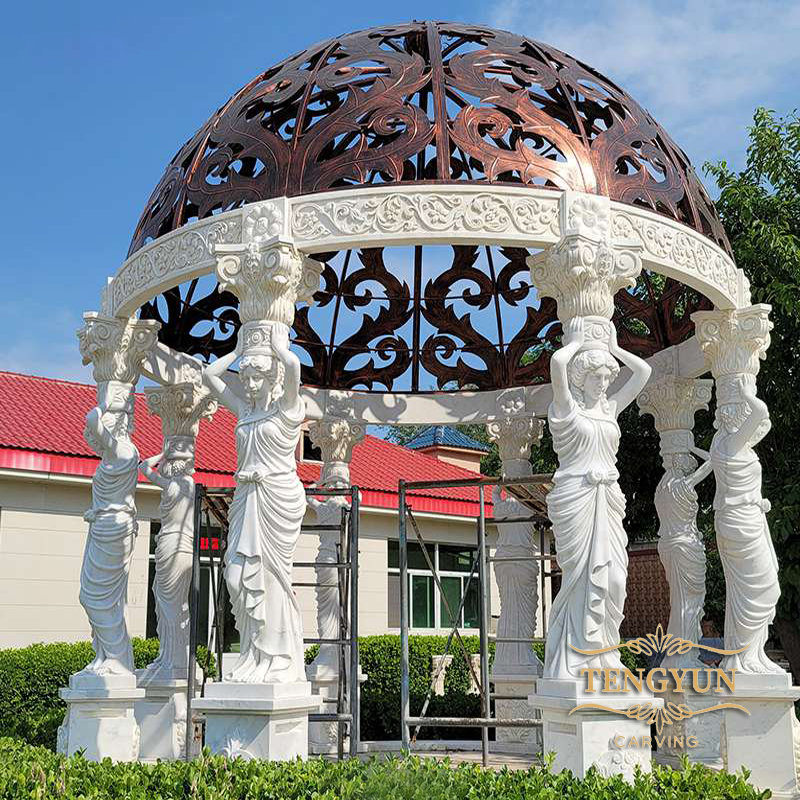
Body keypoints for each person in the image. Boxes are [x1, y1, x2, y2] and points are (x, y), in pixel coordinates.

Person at [543, 317, 651, 680]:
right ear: (579, 378)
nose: (604, 383)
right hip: (577, 497)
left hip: (607, 499)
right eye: (596, 377)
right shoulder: (565, 410)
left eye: (607, 377)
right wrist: (578, 341)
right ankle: (578, 657)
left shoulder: (611, 409)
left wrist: (613, 347)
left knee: (614, 580)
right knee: (584, 578)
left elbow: (643, 372)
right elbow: (557, 364)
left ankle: (604, 655)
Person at [202, 323, 307, 683]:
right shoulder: (245, 412)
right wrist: (237, 351)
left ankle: (277, 658)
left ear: (271, 377)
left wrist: (280, 349)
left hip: (277, 497)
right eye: (245, 377)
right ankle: (252, 654)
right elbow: (209, 376)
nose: (247, 384)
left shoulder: (287, 410)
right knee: (237, 577)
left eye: (255, 377)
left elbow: (293, 371)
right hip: (247, 496)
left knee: (272, 578)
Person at [711, 374, 783, 674]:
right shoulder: (731, 443)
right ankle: (746, 657)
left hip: (742, 519)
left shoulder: (725, 444)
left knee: (753, 590)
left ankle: (748, 654)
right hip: (742, 522)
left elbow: (760, 424)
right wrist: (746, 393)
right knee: (763, 589)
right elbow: (761, 413)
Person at [76, 383, 140, 678]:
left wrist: (105, 404)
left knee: (96, 597)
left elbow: (91, 420)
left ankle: (117, 657)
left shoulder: (124, 450)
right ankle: (105, 655)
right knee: (96, 597)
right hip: (102, 525)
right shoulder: (114, 454)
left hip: (115, 528)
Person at [138, 436, 197, 680]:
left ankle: (172, 658)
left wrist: (162, 454)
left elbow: (143, 467)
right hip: (181, 546)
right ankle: (172, 656)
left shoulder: (174, 485)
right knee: (173, 602)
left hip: (172, 544)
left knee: (168, 602)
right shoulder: (189, 485)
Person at [655, 448, 713, 669]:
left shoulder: (662, 489)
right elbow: (712, 461)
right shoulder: (683, 486)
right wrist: (694, 448)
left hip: (668, 545)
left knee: (680, 601)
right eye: (690, 464)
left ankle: (678, 653)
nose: (692, 468)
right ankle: (683, 655)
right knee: (688, 602)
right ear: (684, 465)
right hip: (685, 546)